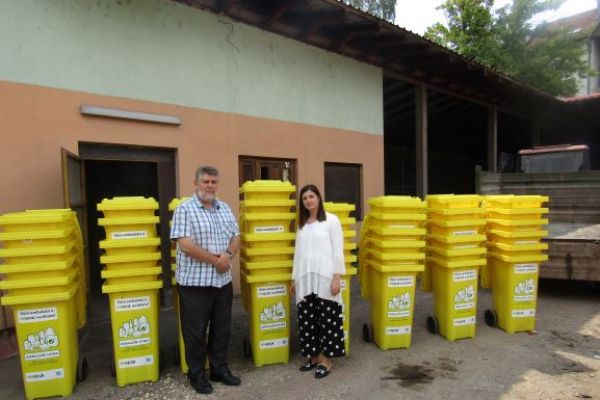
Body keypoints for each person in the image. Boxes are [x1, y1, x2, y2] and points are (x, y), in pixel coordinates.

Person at [170, 165, 241, 394]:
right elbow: (185, 244)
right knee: (195, 332)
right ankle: (197, 375)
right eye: (206, 182)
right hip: (195, 283)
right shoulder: (185, 209)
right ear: (196, 184)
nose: (210, 185)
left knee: (222, 329)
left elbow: (236, 237)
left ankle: (219, 369)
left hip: (222, 282)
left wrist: (228, 255)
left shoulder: (225, 208)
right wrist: (215, 260)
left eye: (213, 182)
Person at [291, 184, 346, 379]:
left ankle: (326, 361)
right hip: (305, 278)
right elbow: (298, 253)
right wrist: (294, 278)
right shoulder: (302, 224)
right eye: (305, 198)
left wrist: (336, 277)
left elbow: (338, 250)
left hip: (325, 277)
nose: (308, 201)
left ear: (319, 198)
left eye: (311, 197)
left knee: (327, 320)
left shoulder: (331, 220)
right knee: (307, 319)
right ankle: (313, 357)